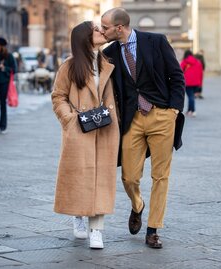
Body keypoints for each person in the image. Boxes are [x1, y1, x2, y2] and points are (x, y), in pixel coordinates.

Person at [101, 8, 185, 249]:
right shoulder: (109, 53)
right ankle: (137, 205)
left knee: (161, 176)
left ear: (119, 27)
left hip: (161, 115)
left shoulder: (156, 41)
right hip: (132, 119)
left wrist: (174, 110)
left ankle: (153, 229)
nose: (102, 30)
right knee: (128, 176)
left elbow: (176, 76)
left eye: (105, 27)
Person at [51, 21, 120, 249]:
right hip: (80, 128)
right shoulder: (69, 67)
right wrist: (69, 120)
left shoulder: (106, 63)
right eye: (96, 29)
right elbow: (58, 96)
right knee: (79, 177)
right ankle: (78, 215)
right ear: (85, 37)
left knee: (102, 179)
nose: (102, 31)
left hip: (104, 128)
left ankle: (97, 230)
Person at [180, 50, 203, 117]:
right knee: (191, 96)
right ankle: (189, 110)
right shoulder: (198, 62)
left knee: (190, 96)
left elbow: (180, 71)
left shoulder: (184, 62)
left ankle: (193, 111)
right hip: (196, 83)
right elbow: (201, 73)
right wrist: (200, 84)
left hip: (187, 82)